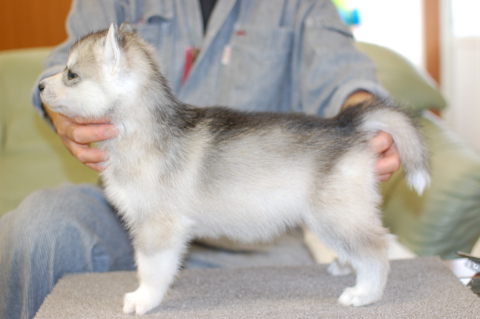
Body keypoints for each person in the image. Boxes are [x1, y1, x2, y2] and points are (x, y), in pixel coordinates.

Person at [0, 0, 401, 318]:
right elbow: (67, 63)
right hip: (124, 221)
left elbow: (342, 71)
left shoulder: (299, 5)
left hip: (257, 232)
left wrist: (363, 119)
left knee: (291, 298)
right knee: (38, 226)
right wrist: (60, 107)